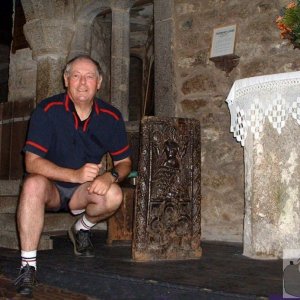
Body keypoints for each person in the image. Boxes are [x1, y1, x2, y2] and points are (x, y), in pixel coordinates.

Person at [14, 55, 132, 296]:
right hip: (51, 189)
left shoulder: (111, 116)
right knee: (32, 184)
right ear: (66, 80)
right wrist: (74, 174)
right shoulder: (47, 110)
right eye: (76, 76)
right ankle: (28, 267)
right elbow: (31, 162)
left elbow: (124, 162)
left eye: (89, 76)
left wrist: (110, 175)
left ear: (99, 82)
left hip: (82, 192)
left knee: (114, 194)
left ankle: (81, 229)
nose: (82, 82)